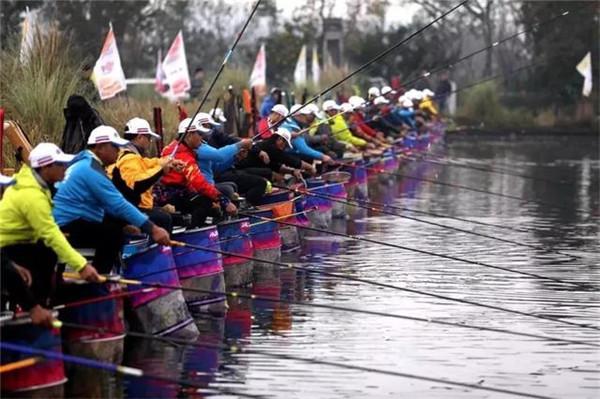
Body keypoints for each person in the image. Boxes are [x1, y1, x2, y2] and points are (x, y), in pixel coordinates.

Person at [0, 145, 102, 323]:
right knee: (46, 251)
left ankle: (42, 303)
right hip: (8, 245)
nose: (65, 168)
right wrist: (82, 266)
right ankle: (34, 308)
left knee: (47, 252)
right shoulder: (31, 194)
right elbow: (50, 233)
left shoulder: (37, 185)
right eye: (61, 165)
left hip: (23, 241)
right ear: (46, 168)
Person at [53, 126, 171, 274]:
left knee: (116, 225)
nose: (118, 151)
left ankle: (106, 273)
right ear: (100, 147)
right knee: (112, 234)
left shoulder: (84, 163)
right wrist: (153, 229)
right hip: (64, 226)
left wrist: (125, 224)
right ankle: (98, 279)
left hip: (70, 220)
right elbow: (118, 204)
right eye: (115, 146)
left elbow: (102, 205)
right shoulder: (89, 169)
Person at [109, 117, 185, 233]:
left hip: (136, 207)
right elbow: (138, 183)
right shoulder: (129, 159)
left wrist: (169, 162)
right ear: (140, 137)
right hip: (133, 207)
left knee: (171, 217)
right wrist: (161, 169)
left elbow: (149, 163)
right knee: (164, 218)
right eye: (149, 138)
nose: (150, 142)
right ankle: (161, 249)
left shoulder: (133, 156)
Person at [157, 118, 237, 227]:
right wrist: (224, 201)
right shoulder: (183, 155)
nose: (202, 137)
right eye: (199, 134)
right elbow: (199, 183)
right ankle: (195, 233)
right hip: (171, 196)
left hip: (178, 193)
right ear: (189, 135)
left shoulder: (178, 149)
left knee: (210, 201)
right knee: (206, 203)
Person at [237, 128, 314, 182]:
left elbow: (276, 166)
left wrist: (292, 172)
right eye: (285, 144)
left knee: (274, 173)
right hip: (241, 170)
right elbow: (292, 161)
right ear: (279, 139)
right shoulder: (271, 147)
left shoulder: (269, 146)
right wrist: (310, 168)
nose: (284, 147)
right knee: (270, 173)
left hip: (249, 170)